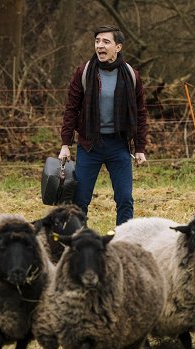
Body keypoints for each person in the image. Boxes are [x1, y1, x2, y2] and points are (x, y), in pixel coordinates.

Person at [58, 25, 148, 226]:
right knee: (80, 200)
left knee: (125, 199)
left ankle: (123, 241)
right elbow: (71, 109)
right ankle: (78, 241)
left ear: (118, 47)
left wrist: (140, 147)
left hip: (118, 145)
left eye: (106, 42)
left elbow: (140, 113)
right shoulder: (84, 72)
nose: (100, 45)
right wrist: (65, 144)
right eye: (97, 41)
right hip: (90, 145)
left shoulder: (131, 75)